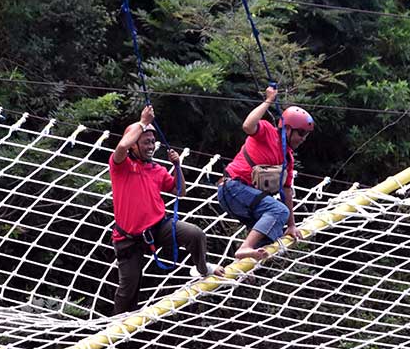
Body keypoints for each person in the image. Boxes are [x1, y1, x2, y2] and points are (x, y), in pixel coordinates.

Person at [109, 105, 223, 314]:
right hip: (129, 238)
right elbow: (122, 146)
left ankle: (202, 268)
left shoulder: (157, 169)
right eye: (146, 142)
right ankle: (117, 325)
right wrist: (143, 122)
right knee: (128, 289)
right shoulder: (120, 166)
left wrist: (177, 166)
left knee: (195, 234)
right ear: (134, 145)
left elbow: (180, 191)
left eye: (152, 141)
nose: (151, 146)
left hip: (158, 228)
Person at [217, 86, 313, 260]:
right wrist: (268, 100)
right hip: (233, 188)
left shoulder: (288, 158)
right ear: (288, 129)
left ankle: (243, 264)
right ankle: (245, 248)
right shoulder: (268, 132)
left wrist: (291, 225)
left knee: (273, 231)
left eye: (306, 135)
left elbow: (286, 191)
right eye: (301, 133)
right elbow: (247, 126)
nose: (303, 139)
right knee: (278, 211)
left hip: (244, 199)